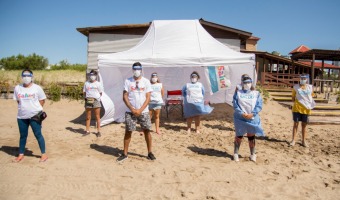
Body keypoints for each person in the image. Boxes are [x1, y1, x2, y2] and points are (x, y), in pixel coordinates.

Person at [117, 62, 156, 162]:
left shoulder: (146, 81)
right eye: (135, 69)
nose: (136, 71)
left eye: (138, 69)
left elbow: (148, 98)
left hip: (144, 111)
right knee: (128, 131)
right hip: (130, 111)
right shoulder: (128, 81)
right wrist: (132, 109)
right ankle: (125, 153)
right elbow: (125, 96)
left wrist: (140, 110)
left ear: (141, 70)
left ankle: (150, 152)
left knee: (147, 131)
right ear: (132, 69)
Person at [13, 69, 48, 162]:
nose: (26, 77)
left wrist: (36, 110)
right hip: (21, 117)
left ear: (32, 77)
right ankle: (21, 154)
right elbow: (18, 101)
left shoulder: (37, 88)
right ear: (21, 77)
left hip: (35, 116)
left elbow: (42, 100)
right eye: (24, 75)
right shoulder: (17, 88)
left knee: (38, 134)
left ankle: (43, 154)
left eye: (28, 76)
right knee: (23, 135)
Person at [233, 75, 264, 162]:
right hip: (240, 118)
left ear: (251, 83)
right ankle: (235, 153)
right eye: (245, 82)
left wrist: (252, 113)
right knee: (239, 136)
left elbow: (259, 105)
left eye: (248, 82)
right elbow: (235, 105)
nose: (247, 84)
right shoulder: (238, 93)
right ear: (242, 83)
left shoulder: (256, 93)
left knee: (251, 136)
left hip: (252, 118)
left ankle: (253, 154)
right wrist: (242, 113)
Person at [290, 74, 316, 147]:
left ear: (307, 79)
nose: (303, 79)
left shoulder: (309, 87)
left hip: (306, 109)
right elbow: (292, 98)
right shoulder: (296, 87)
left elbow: (312, 96)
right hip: (297, 108)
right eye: (302, 78)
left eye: (304, 78)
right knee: (295, 124)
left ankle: (304, 141)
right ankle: (293, 140)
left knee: (304, 125)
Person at [83, 70, 103, 137]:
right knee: (88, 117)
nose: (92, 76)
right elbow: (84, 92)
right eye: (91, 75)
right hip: (88, 100)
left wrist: (96, 98)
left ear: (96, 76)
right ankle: (87, 130)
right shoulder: (86, 83)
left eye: (93, 75)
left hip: (96, 100)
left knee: (97, 116)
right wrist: (86, 98)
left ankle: (98, 131)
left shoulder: (98, 83)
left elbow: (101, 93)